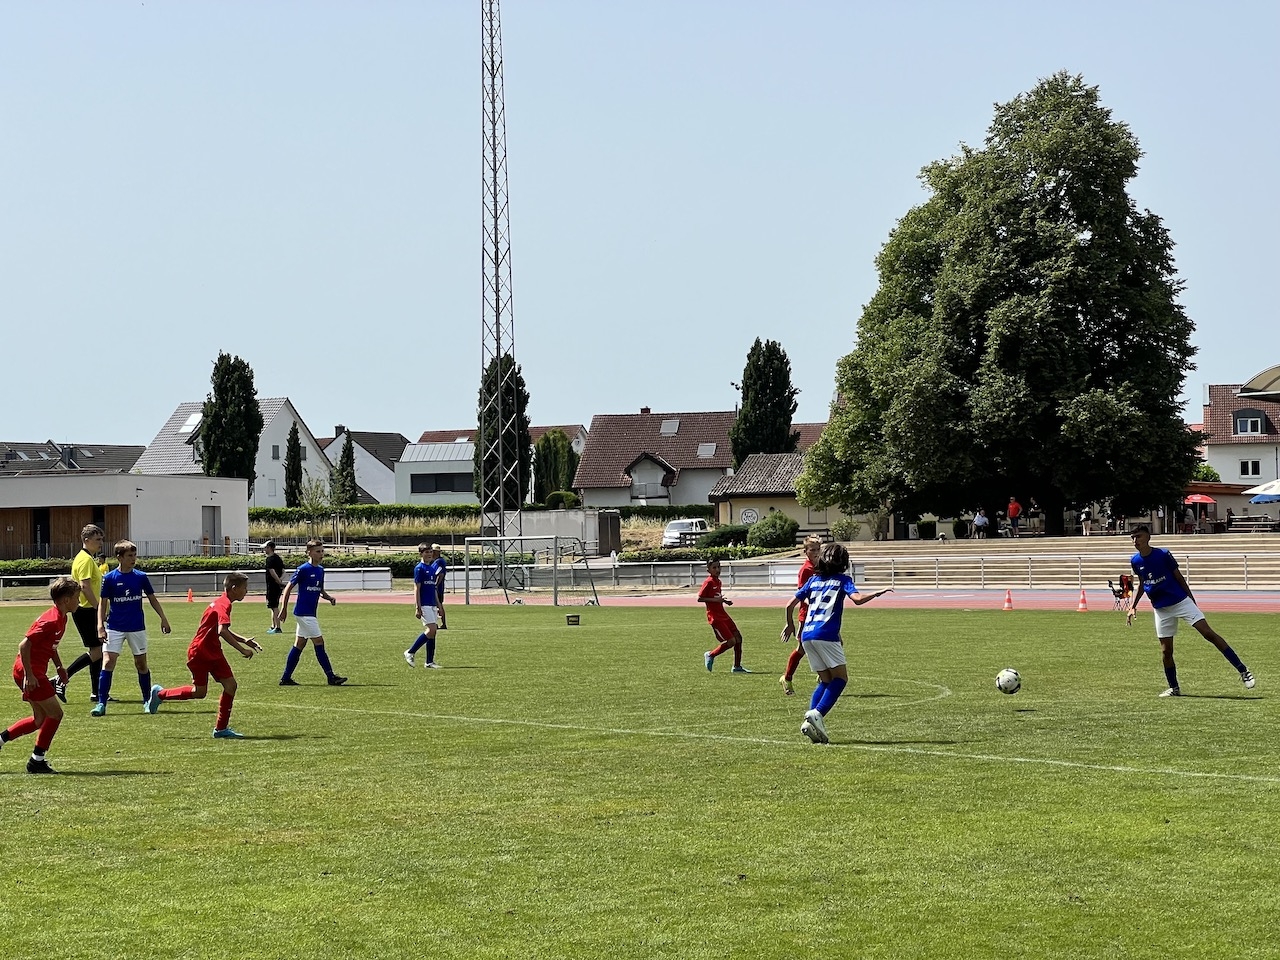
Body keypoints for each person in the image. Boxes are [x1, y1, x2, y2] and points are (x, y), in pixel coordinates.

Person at [1125, 525, 1255, 697]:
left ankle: (1243, 670)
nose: (1136, 541)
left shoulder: (1163, 554)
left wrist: (1191, 600)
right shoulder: (1135, 561)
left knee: (1208, 634)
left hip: (1180, 601)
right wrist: (1133, 606)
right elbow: (1142, 583)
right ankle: (1174, 688)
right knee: (1166, 651)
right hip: (1161, 608)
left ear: (1148, 537)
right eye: (1132, 538)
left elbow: (1179, 577)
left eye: (1139, 536)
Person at [782, 543, 892, 744]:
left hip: (807, 635)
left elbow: (789, 604)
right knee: (840, 679)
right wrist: (877, 592)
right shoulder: (843, 580)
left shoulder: (813, 580)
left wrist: (790, 625)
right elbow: (857, 599)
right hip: (826, 635)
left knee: (826, 680)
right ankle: (817, 714)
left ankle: (809, 721)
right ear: (844, 563)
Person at [147, 572, 262, 739]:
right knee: (199, 692)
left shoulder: (222, 602)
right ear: (234, 589)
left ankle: (221, 729)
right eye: (245, 588)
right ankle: (160, 694)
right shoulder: (223, 605)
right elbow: (222, 631)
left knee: (230, 686)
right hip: (200, 652)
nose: (247, 591)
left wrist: (244, 640)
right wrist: (242, 650)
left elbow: (221, 629)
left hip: (213, 651)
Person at [2, 577, 80, 773]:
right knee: (56, 714)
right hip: (29, 672)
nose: (79, 601)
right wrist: (29, 675)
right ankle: (37, 760)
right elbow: (24, 645)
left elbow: (50, 646)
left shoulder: (62, 617)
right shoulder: (51, 620)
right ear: (66, 600)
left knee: (39, 720)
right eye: (77, 598)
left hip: (31, 671)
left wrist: (60, 667)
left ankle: (1, 740)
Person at [91, 540, 172, 717]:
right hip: (114, 627)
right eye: (130, 556)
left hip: (136, 627)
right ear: (119, 557)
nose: (133, 558)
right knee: (108, 662)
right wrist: (100, 626)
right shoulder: (110, 578)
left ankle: (147, 701)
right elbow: (102, 604)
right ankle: (101, 703)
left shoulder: (141, 577)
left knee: (141, 663)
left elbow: (152, 598)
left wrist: (163, 618)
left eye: (134, 555)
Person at [277, 539, 346, 686]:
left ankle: (286, 678)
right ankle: (331, 677)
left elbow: (319, 589)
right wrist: (283, 609)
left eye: (322, 551)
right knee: (319, 642)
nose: (321, 554)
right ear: (309, 553)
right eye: (318, 551)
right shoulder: (303, 569)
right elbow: (288, 588)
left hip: (310, 613)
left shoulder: (320, 570)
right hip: (303, 613)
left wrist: (329, 598)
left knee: (299, 644)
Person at [56, 524, 106, 702]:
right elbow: (84, 586)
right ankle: (62, 678)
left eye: (101, 539)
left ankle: (97, 692)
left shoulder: (86, 558)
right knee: (97, 652)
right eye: (97, 539)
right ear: (86, 540)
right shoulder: (85, 559)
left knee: (97, 650)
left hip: (86, 609)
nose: (101, 543)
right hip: (86, 610)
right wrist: (98, 608)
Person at [779, 536, 822, 695]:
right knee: (803, 648)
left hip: (821, 613)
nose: (816, 553)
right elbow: (801, 594)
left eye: (818, 549)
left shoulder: (820, 567)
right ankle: (787, 678)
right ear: (805, 552)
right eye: (812, 550)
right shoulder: (806, 570)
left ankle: (822, 675)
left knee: (831, 642)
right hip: (808, 615)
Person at [699, 559, 749, 673]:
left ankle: (737, 667)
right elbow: (700, 598)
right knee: (731, 641)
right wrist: (716, 600)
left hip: (723, 614)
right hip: (715, 617)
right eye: (714, 568)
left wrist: (724, 601)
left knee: (739, 638)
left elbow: (717, 598)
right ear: (708, 570)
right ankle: (710, 655)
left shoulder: (718, 581)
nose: (717, 570)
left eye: (718, 567)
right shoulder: (708, 582)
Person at [404, 543, 442, 668]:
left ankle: (429, 662)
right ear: (421, 554)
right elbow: (417, 588)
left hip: (431, 604)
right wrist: (417, 607)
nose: (429, 554)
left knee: (433, 632)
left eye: (430, 552)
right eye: (426, 552)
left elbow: (434, 589)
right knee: (431, 630)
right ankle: (410, 652)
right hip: (424, 604)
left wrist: (439, 606)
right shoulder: (419, 568)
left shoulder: (431, 568)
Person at [264, 540, 286, 634]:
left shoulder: (270, 559)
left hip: (273, 586)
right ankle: (273, 626)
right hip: (276, 586)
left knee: (274, 606)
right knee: (273, 606)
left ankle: (277, 627)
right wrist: (280, 581)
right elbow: (284, 571)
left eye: (265, 547)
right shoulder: (277, 558)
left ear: (269, 548)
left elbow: (272, 572)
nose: (264, 549)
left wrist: (278, 581)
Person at [431, 543, 449, 630]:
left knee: (438, 605)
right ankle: (440, 623)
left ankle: (442, 623)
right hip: (437, 587)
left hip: (438, 588)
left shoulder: (439, 561)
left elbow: (440, 574)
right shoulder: (435, 562)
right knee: (437, 606)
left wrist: (435, 585)